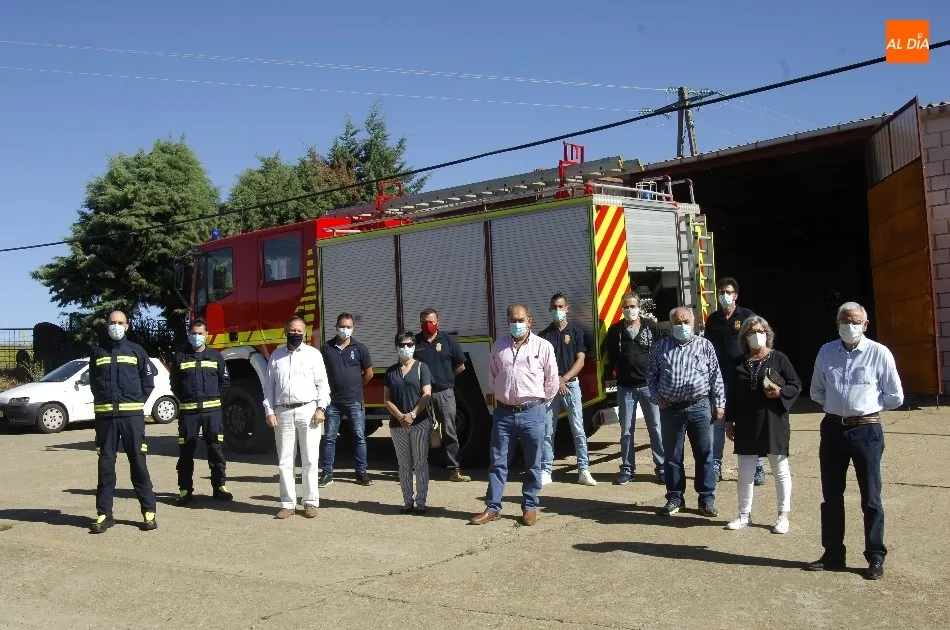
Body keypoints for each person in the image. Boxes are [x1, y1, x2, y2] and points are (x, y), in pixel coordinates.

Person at [807, 302, 903, 580]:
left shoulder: (879, 353)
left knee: (871, 497)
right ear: (837, 323)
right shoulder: (826, 351)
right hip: (833, 429)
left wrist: (866, 407)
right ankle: (833, 553)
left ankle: (875, 556)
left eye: (855, 321)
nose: (849, 325)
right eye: (844, 320)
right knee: (831, 495)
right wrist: (841, 409)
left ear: (865, 324)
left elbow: (895, 396)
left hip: (867, 431)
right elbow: (816, 390)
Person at [470, 304, 559, 526]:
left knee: (533, 463)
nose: (516, 324)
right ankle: (493, 507)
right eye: (513, 320)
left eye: (520, 320)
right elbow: (493, 377)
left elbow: (552, 381)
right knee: (498, 463)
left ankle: (530, 506)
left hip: (533, 413)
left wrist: (540, 405)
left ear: (530, 321)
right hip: (504, 414)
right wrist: (504, 397)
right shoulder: (499, 347)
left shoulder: (543, 346)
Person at [724, 316, 801, 534]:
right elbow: (732, 395)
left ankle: (782, 516)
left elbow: (796, 384)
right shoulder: (738, 362)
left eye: (760, 331)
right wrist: (729, 421)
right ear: (744, 338)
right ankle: (743, 514)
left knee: (779, 468)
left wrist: (781, 392)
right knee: (746, 470)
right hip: (746, 421)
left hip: (773, 419)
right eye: (751, 333)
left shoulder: (779, 358)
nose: (756, 335)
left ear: (767, 334)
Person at [647, 306, 725, 517]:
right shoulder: (660, 347)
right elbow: (651, 378)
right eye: (678, 322)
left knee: (705, 455)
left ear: (694, 323)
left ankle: (706, 499)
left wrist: (719, 404)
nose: (682, 326)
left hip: (700, 407)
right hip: (671, 410)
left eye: (686, 322)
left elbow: (715, 376)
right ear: (671, 325)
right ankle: (674, 497)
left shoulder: (705, 346)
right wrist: (657, 399)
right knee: (672, 456)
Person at [88, 311, 158, 533]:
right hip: (106, 419)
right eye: (112, 322)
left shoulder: (137, 351)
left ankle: (148, 512)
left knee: (138, 463)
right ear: (106, 325)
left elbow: (148, 382)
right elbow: (93, 383)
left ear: (127, 326)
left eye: (120, 323)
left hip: (131, 418)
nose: (116, 326)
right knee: (106, 466)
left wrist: (136, 405)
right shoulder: (97, 352)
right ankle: (104, 514)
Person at [263, 316, 331, 519]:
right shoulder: (276, 356)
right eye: (292, 330)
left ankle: (310, 502)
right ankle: (287, 504)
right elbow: (268, 388)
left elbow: (323, 385)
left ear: (305, 332)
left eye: (299, 330)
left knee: (310, 459)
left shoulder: (313, 355)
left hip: (308, 411)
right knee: (285, 461)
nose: (296, 333)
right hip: (282, 412)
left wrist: (321, 408)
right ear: (285, 330)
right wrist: (269, 411)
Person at [704, 277, 765, 485]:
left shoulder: (748, 317)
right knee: (718, 424)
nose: (724, 295)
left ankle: (758, 466)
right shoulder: (712, 320)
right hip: (719, 381)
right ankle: (716, 465)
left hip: (744, 379)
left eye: (728, 292)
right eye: (721, 292)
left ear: (736, 295)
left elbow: (759, 346)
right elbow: (706, 350)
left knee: (748, 422)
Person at [169, 317, 233, 505]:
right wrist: (187, 399)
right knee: (186, 452)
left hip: (212, 414)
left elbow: (225, 382)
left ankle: (219, 487)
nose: (196, 336)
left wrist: (213, 400)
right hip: (189, 414)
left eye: (200, 333)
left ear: (207, 335)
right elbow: (175, 385)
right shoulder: (180, 357)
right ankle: (185, 490)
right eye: (193, 333)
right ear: (189, 335)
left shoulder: (216, 357)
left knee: (215, 450)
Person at [604, 292, 664, 484]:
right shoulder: (615, 330)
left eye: (633, 306)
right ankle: (628, 469)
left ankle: (662, 467)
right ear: (622, 309)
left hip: (648, 386)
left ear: (640, 307)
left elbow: (661, 350)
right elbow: (611, 354)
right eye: (626, 306)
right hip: (625, 388)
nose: (630, 310)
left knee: (655, 427)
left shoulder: (651, 327)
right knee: (626, 430)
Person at [539, 292, 596, 486]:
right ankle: (546, 470)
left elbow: (580, 360)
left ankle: (583, 470)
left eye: (560, 307)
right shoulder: (544, 336)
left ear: (567, 309)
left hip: (571, 385)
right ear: (550, 309)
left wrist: (564, 379)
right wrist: (556, 381)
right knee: (548, 430)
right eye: (554, 307)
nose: (557, 311)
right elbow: (542, 365)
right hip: (551, 387)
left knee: (578, 429)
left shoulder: (577, 332)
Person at [414, 308, 471, 482]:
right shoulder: (415, 342)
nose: (428, 324)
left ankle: (454, 469)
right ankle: (419, 469)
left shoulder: (447, 340)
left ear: (437, 322)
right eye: (424, 321)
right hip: (422, 394)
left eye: (431, 321)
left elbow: (461, 365)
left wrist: (446, 379)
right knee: (421, 432)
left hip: (444, 393)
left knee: (449, 430)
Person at [319, 313, 374, 488]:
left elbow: (369, 373)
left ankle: (361, 472)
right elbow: (320, 375)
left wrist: (356, 388)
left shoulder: (360, 348)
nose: (345, 330)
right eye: (342, 326)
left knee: (359, 437)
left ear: (353, 328)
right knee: (329, 438)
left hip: (354, 401)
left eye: (348, 326)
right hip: (332, 402)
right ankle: (327, 473)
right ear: (336, 327)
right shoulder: (326, 349)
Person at [384, 331, 434, 514]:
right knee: (404, 465)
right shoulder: (390, 371)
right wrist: (400, 416)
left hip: (419, 422)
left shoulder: (422, 368)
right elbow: (387, 398)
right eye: (402, 345)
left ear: (414, 346)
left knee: (420, 463)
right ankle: (407, 501)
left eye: (409, 345)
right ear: (396, 347)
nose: (406, 348)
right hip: (398, 426)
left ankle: (421, 501)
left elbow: (426, 394)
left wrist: (412, 414)